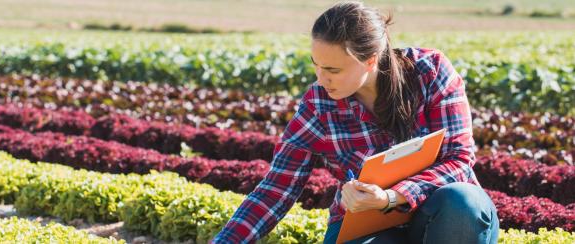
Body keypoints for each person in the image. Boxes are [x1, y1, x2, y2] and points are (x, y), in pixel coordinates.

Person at [211, 1, 499, 243]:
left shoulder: (430, 72)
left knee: (463, 201)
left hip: (444, 218)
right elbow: (277, 188)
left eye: (333, 69)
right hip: (366, 227)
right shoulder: (319, 104)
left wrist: (391, 196)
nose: (321, 79)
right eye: (316, 65)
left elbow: (459, 160)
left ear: (370, 60)